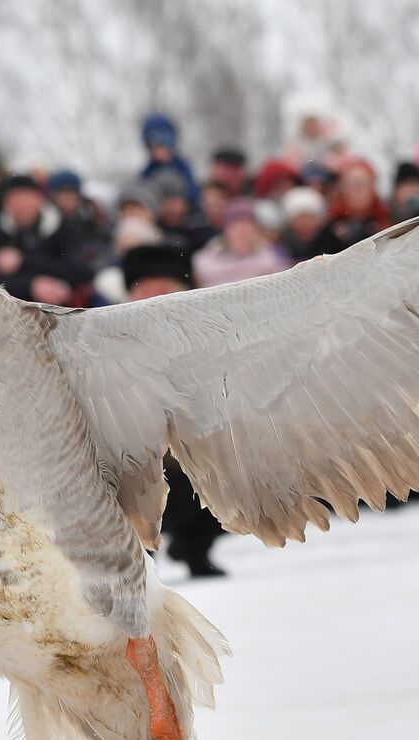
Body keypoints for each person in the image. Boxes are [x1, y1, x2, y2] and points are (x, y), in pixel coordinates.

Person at [120, 245, 228, 578]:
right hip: (137, 455)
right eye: (145, 287)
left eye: (163, 287)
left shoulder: (210, 332)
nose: (154, 296)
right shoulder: (113, 337)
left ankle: (196, 546)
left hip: (201, 447)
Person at [0, 175, 89, 304]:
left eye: (24, 198)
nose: (19, 205)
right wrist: (30, 286)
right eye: (12, 199)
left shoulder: (64, 228)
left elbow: (79, 270)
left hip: (62, 305)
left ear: (40, 199)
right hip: (14, 309)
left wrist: (23, 261)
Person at [192, 197, 292, 288]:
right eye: (236, 225)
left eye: (247, 225)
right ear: (226, 230)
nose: (242, 230)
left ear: (256, 230)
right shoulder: (206, 258)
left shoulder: (272, 256)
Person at [139, 112, 199, 203]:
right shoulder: (147, 173)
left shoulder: (183, 169)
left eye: (162, 143)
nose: (157, 149)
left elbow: (194, 197)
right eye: (152, 145)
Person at [279, 187, 330, 263]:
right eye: (299, 218)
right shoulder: (282, 249)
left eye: (310, 217)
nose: (305, 223)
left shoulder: (332, 244)